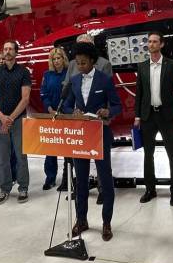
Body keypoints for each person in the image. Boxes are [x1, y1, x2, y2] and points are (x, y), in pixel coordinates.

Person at [62, 42, 122, 241]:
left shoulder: (104, 80)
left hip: (100, 134)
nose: (80, 66)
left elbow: (117, 105)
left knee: (105, 179)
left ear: (93, 61)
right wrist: (73, 112)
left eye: (84, 63)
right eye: (78, 63)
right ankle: (81, 220)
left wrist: (107, 111)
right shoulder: (74, 81)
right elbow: (67, 105)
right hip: (81, 136)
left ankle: (106, 222)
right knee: (80, 180)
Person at [134, 31, 173, 205]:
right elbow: (139, 94)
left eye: (154, 41)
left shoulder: (172, 65)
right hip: (148, 116)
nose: (151, 44)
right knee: (148, 154)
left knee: (172, 153)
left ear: (162, 44)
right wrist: (137, 116)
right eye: (149, 41)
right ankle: (150, 189)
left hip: (167, 115)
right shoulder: (142, 66)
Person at [0, 40, 32, 204]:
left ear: (16, 52)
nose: (7, 52)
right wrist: (2, 118)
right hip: (0, 121)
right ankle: (4, 189)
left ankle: (23, 188)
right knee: (2, 158)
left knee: (21, 156)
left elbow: (25, 99)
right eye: (5, 49)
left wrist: (11, 118)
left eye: (10, 49)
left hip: (18, 120)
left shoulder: (23, 72)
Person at [40, 47, 68, 191]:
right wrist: (49, 108)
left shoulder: (69, 74)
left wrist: (64, 110)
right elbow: (43, 94)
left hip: (66, 115)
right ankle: (50, 178)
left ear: (63, 59)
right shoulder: (47, 75)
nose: (56, 61)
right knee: (51, 148)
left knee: (67, 148)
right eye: (54, 59)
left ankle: (67, 178)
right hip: (51, 115)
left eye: (58, 58)